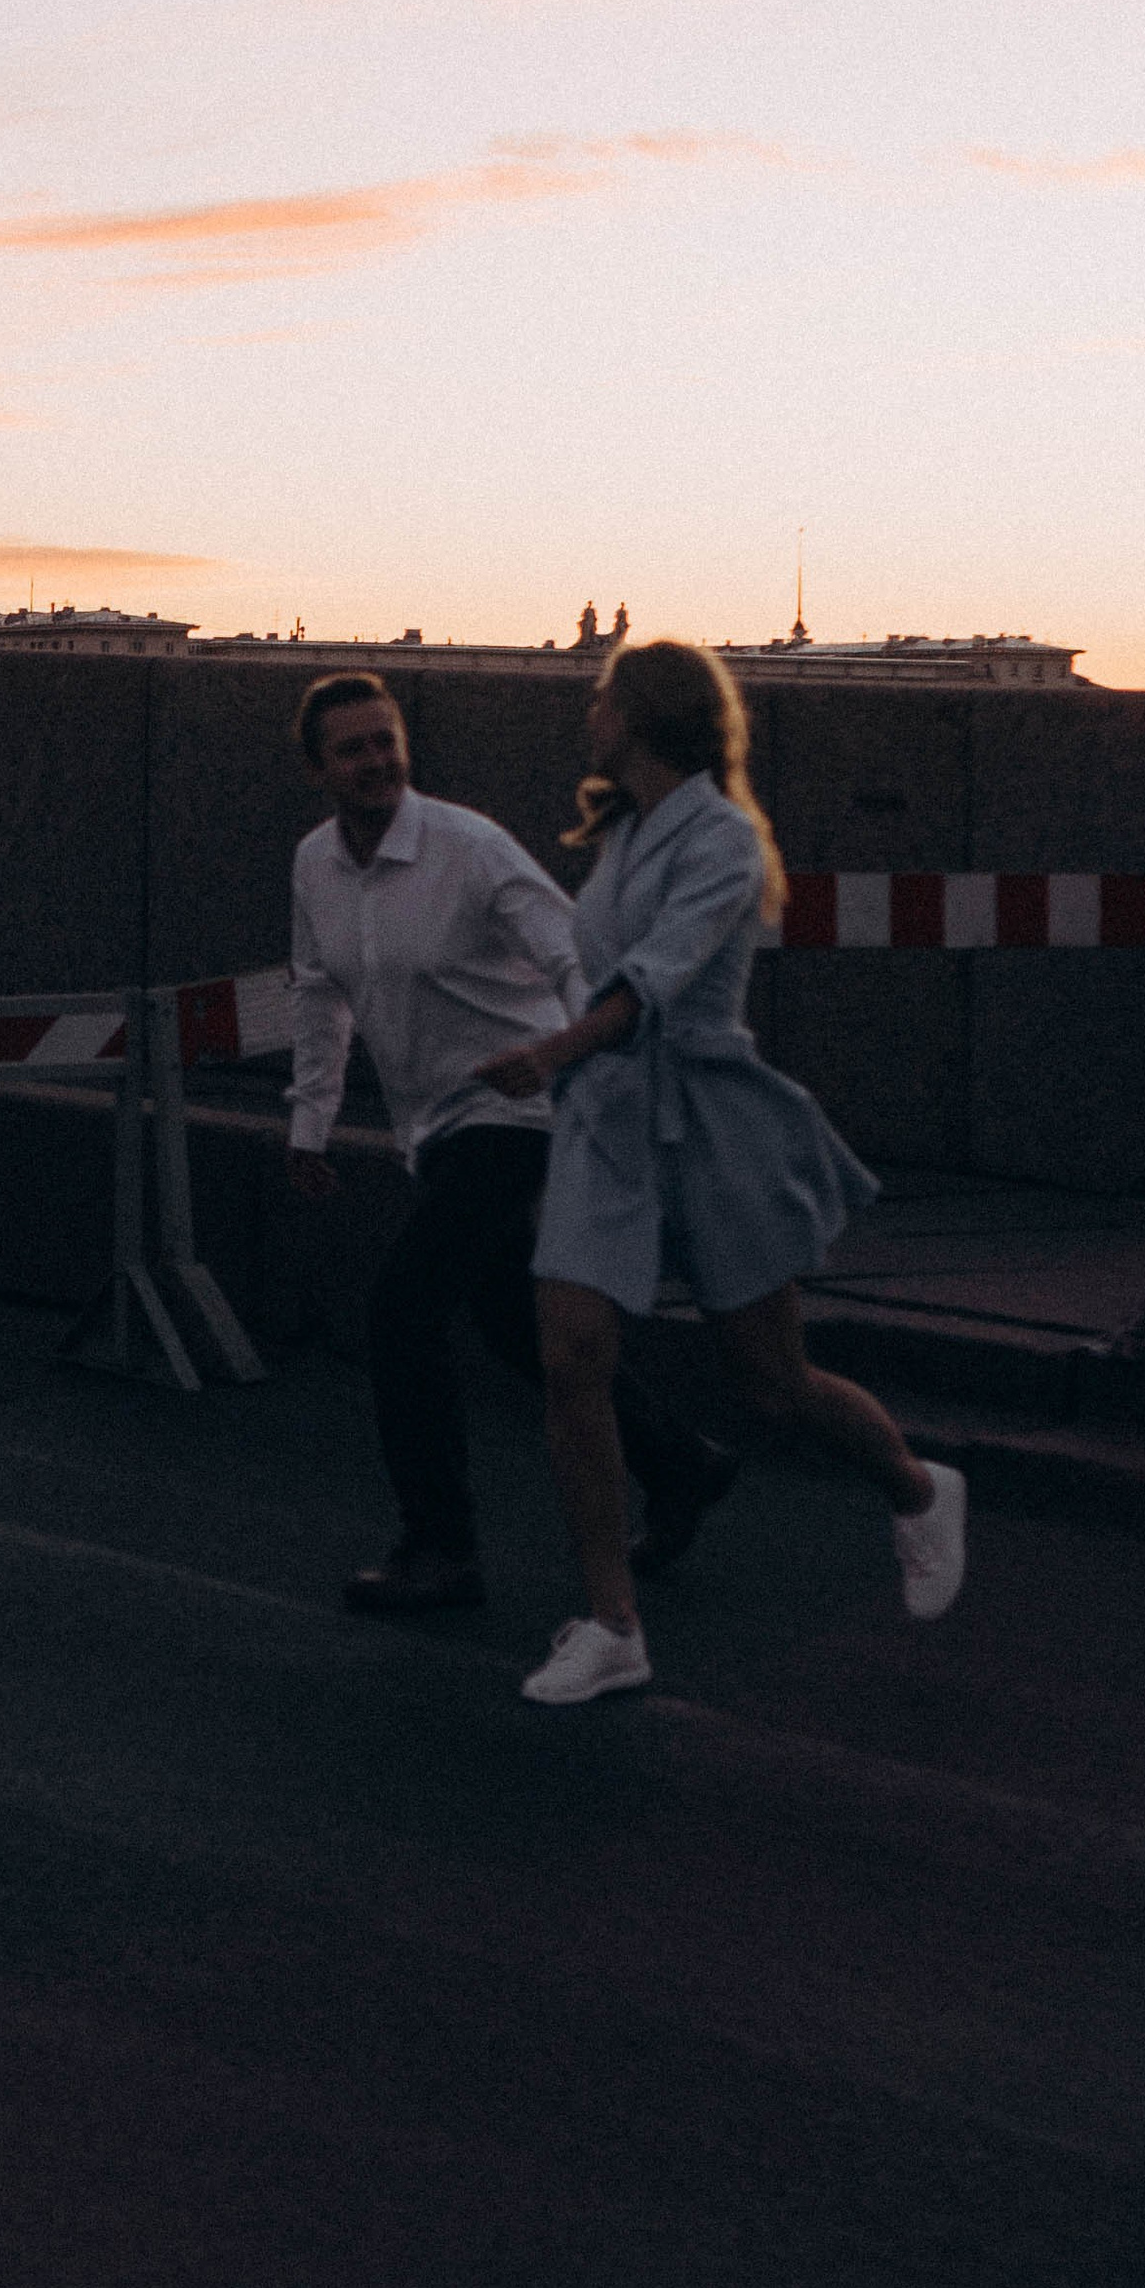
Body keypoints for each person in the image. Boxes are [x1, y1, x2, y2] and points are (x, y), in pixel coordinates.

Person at [476, 639, 967, 1706]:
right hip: (610, 1121)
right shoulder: (624, 827)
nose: (590, 708)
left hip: (702, 1120)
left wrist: (547, 1054)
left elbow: (647, 988)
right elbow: (588, 968)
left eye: (605, 694)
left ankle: (915, 1488)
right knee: (572, 1358)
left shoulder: (724, 841)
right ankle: (613, 1625)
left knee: (772, 1383)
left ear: (645, 713)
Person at [287, 672, 739, 1617]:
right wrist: (309, 1122)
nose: (377, 762)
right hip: (438, 1126)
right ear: (317, 770)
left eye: (387, 740)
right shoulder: (315, 868)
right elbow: (320, 991)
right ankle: (680, 1462)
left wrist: (586, 1066)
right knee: (507, 1318)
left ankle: (441, 1550)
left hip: (521, 1109)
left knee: (402, 1312)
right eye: (352, 749)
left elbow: (573, 953)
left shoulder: (467, 847)